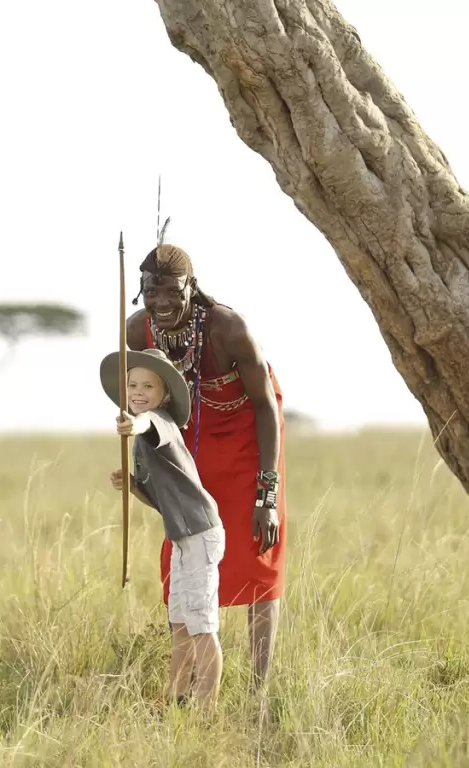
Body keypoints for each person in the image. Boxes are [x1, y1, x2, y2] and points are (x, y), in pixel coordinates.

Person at [126, 242, 286, 692]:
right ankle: (187, 684)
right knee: (183, 541)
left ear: (191, 288)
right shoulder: (138, 332)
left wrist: (267, 495)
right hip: (186, 432)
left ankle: (259, 689)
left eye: (171, 291)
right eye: (150, 291)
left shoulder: (230, 329)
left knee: (258, 553)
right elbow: (140, 396)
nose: (161, 302)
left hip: (249, 432)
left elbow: (264, 408)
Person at [99, 347, 226, 710]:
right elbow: (158, 499)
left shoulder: (160, 421)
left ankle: (206, 706)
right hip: (182, 536)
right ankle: (175, 695)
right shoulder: (140, 443)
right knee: (179, 621)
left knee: (201, 622)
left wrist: (131, 422)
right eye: (133, 385)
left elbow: (146, 422)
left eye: (148, 386)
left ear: (164, 394)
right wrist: (132, 487)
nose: (139, 392)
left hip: (200, 532)